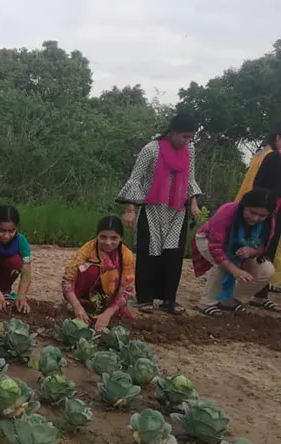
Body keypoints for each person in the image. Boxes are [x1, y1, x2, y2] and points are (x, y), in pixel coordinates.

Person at [117, 112, 202, 315]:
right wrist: (130, 210)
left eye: (190, 137)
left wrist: (194, 203)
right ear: (172, 132)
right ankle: (145, 298)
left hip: (177, 211)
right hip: (152, 209)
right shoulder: (152, 149)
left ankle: (168, 299)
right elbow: (135, 179)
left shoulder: (190, 150)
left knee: (173, 255)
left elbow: (190, 177)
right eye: (184, 136)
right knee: (148, 253)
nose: (187, 141)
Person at [192, 189, 278, 315]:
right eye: (252, 212)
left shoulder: (269, 222)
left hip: (242, 249)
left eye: (262, 216)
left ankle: (229, 300)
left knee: (266, 270)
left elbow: (264, 247)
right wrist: (235, 270)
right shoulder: (227, 212)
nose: (256, 218)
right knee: (224, 264)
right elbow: (216, 248)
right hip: (209, 240)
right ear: (244, 205)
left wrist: (252, 251)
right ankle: (206, 303)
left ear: (269, 214)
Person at [62, 216, 136, 331]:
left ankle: (105, 307)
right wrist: (77, 306)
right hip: (85, 293)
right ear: (97, 236)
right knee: (91, 270)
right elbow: (68, 280)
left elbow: (128, 289)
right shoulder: (88, 249)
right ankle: (84, 303)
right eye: (103, 237)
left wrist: (109, 313)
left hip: (110, 297)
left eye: (114, 238)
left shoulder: (127, 255)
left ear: (121, 238)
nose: (108, 242)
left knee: (117, 276)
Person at [234, 129, 281, 301]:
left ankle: (260, 294)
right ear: (278, 139)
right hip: (265, 210)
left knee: (270, 246)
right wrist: (259, 209)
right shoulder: (272, 157)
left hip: (276, 212)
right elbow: (258, 184)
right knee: (258, 245)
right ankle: (246, 291)